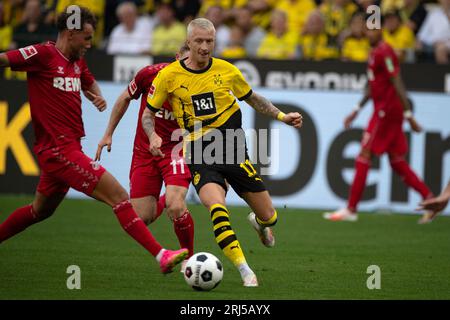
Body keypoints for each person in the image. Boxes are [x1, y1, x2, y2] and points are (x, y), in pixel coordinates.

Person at [0, 6, 187, 274]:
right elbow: (5, 59)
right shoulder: (42, 54)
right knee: (120, 197)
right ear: (70, 33)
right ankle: (161, 255)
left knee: (39, 211)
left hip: (68, 149)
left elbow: (88, 82)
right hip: (59, 150)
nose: (90, 44)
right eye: (86, 38)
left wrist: (95, 95)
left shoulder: (77, 61)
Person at [143, 18, 302, 287]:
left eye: (210, 42)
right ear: (189, 42)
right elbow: (148, 114)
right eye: (199, 42)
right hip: (197, 151)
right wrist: (153, 134)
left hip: (232, 147)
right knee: (217, 208)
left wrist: (281, 116)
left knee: (270, 216)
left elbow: (253, 98)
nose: (205, 47)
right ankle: (245, 270)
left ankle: (261, 225)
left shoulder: (227, 70)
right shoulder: (169, 76)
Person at [323, 26, 436, 224]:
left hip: (387, 112)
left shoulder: (385, 51)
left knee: (364, 155)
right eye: (366, 30)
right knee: (397, 160)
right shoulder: (374, 52)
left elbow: (396, 81)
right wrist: (356, 109)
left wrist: (409, 114)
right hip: (384, 110)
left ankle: (351, 208)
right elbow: (373, 85)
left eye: (372, 30)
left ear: (381, 30)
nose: (368, 34)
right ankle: (430, 200)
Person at [95, 45, 194, 271]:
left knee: (176, 206)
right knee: (141, 218)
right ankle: (166, 200)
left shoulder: (199, 84)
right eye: (185, 61)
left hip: (175, 150)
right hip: (144, 151)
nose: (189, 66)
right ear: (177, 57)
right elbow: (124, 98)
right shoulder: (150, 74)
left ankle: (190, 260)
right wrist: (108, 133)